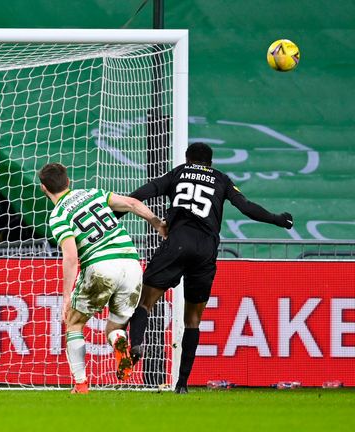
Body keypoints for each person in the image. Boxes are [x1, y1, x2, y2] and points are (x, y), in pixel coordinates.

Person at [125, 142, 294, 394]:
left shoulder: (177, 173)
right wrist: (277, 219)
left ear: (187, 158)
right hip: (205, 250)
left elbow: (143, 193)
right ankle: (182, 385)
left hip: (177, 244)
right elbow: (246, 207)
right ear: (210, 162)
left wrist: (119, 210)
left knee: (144, 303)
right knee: (193, 320)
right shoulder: (221, 179)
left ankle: (136, 344)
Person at [38, 163, 167, 394]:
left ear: (44, 189)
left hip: (101, 266)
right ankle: (119, 342)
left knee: (74, 323)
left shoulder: (58, 216)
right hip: (131, 264)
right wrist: (155, 222)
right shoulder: (92, 193)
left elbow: (70, 256)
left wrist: (66, 295)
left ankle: (80, 384)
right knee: (115, 326)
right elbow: (131, 203)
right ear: (68, 182)